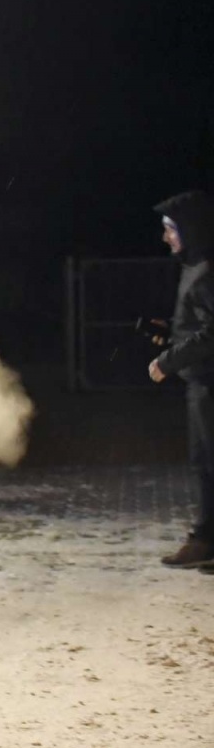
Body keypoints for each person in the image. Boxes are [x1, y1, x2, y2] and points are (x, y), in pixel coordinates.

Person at [148, 189, 214, 573]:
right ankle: (205, 539)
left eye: (170, 229)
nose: (166, 237)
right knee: (203, 464)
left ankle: (205, 538)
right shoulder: (194, 264)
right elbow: (196, 324)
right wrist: (170, 332)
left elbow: (211, 333)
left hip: (209, 383)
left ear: (191, 229)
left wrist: (167, 360)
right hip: (200, 382)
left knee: (210, 464)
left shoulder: (206, 270)